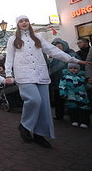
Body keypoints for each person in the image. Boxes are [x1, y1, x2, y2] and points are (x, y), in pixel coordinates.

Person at [5, 15, 91, 149]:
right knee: (34, 100)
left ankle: (40, 134)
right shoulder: (13, 39)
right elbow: (9, 57)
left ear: (29, 22)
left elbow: (53, 50)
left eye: (26, 20)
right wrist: (8, 74)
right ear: (17, 24)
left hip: (40, 74)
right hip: (24, 75)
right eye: (21, 21)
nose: (24, 23)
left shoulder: (38, 38)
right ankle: (25, 125)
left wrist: (75, 60)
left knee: (44, 106)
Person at [48, 38, 79, 120]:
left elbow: (77, 66)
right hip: (57, 82)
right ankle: (59, 115)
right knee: (58, 99)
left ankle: (75, 116)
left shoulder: (71, 54)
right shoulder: (55, 56)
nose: (58, 47)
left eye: (59, 46)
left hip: (69, 81)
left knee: (71, 98)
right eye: (55, 46)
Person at [59, 63, 90, 128]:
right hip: (71, 96)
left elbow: (86, 85)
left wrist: (89, 86)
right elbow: (62, 85)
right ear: (68, 69)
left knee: (83, 109)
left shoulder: (81, 77)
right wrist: (63, 93)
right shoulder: (65, 77)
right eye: (71, 68)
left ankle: (84, 121)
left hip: (82, 96)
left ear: (78, 69)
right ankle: (74, 120)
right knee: (72, 108)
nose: (73, 70)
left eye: (75, 68)